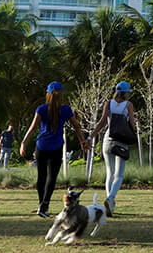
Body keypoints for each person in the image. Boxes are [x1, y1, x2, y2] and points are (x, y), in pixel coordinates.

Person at [19, 82, 91, 219]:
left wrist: (23, 143)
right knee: (51, 178)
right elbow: (76, 126)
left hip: (41, 146)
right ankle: (45, 205)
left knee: (42, 177)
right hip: (56, 147)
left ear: (48, 94)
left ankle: (41, 204)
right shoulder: (65, 110)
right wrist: (82, 141)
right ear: (61, 94)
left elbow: (33, 127)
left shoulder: (41, 109)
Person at [93, 80, 138, 217]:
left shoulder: (108, 103)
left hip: (108, 139)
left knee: (109, 173)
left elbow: (101, 122)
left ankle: (110, 206)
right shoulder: (128, 105)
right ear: (126, 93)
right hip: (121, 141)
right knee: (119, 174)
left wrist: (91, 136)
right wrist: (135, 133)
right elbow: (132, 123)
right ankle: (110, 198)